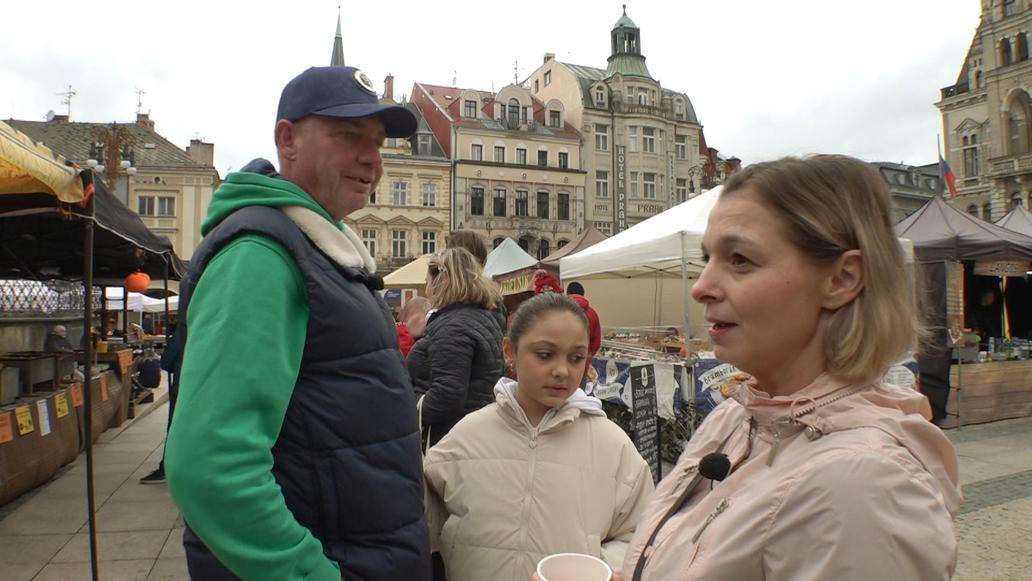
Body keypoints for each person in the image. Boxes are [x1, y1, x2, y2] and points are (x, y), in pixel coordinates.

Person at [622, 155, 962, 580]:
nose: (701, 287)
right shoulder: (737, 416)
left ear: (841, 279)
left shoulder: (863, 487)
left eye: (740, 259)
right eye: (707, 258)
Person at [164, 65, 430, 581]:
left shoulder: (320, 250)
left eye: (376, 143)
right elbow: (211, 467)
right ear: (287, 139)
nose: (371, 159)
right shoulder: (261, 255)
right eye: (349, 135)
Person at [424, 293, 654, 581]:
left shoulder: (614, 446)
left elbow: (641, 534)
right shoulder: (466, 437)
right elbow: (423, 529)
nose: (561, 371)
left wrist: (602, 569)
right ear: (509, 351)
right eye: (545, 354)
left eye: (576, 358)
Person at [407, 247, 505, 448]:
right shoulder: (479, 317)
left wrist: (405, 412)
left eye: (427, 282)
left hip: (448, 438)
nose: (427, 289)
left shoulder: (454, 326)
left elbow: (447, 396)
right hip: (470, 432)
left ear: (439, 282)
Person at [139, 321, 183, 484]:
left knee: (175, 426)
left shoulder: (184, 329)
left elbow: (166, 361)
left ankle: (167, 467)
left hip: (183, 383)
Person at [566, 282, 602, 369]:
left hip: (562, 362)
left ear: (568, 293)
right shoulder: (593, 313)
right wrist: (587, 357)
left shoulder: (559, 310)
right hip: (581, 362)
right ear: (583, 294)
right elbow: (596, 341)